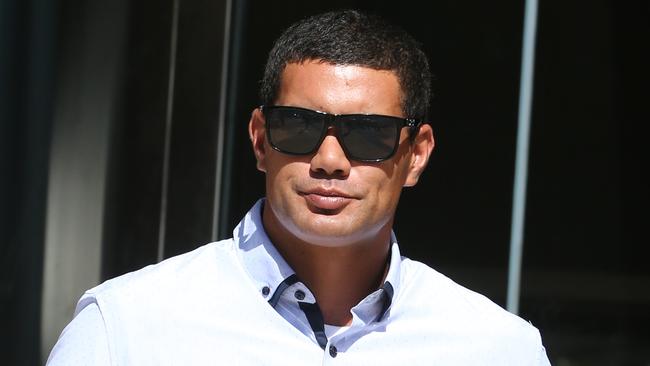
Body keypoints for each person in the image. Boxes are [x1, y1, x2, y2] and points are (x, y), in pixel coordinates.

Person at [47, 9, 550, 365]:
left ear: (415, 154)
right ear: (261, 140)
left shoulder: (498, 349)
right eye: (298, 127)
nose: (329, 160)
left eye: (368, 133)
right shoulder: (125, 329)